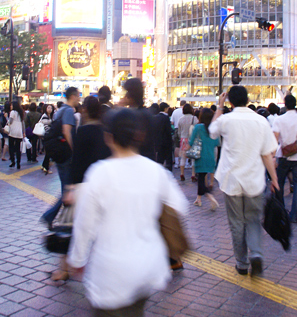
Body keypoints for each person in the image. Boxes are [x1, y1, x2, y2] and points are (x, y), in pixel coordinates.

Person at [67, 108, 187, 315]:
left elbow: (84, 224)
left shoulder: (99, 173)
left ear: (108, 137)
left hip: (111, 271)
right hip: (148, 266)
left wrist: (77, 260)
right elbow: (179, 206)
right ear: (139, 136)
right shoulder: (156, 171)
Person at [209, 86, 279, 276]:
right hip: (254, 179)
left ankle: (241, 263)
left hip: (231, 179)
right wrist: (274, 179)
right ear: (248, 99)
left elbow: (212, 132)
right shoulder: (261, 121)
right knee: (253, 220)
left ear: (230, 101)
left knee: (236, 223)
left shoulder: (226, 119)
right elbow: (267, 154)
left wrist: (219, 106)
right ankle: (255, 253)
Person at [52, 96, 112, 282]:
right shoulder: (106, 132)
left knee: (70, 228)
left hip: (83, 186)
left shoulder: (83, 131)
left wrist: (70, 188)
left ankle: (64, 269)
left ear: (85, 110)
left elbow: (76, 162)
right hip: (103, 186)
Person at [41, 87, 79, 229]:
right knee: (67, 188)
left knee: (66, 186)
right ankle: (54, 217)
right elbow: (66, 132)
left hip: (57, 153)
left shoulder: (60, 110)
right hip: (65, 154)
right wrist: (73, 150)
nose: (79, 99)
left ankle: (55, 217)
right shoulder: (68, 111)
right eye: (78, 96)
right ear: (73, 96)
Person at [272, 94, 297, 223]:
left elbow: (275, 139)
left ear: (285, 104)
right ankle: (294, 215)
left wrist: (273, 156)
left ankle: (281, 211)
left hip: (284, 155)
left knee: (279, 183)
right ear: (295, 104)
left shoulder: (279, 119)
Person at [189, 108, 220, 210]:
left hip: (200, 156)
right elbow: (217, 143)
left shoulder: (198, 127)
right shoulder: (214, 129)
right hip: (211, 156)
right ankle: (198, 199)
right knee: (202, 178)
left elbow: (191, 141)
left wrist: (186, 150)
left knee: (201, 179)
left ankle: (210, 197)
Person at [178, 104, 198, 182]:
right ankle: (193, 175)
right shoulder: (194, 118)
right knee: (193, 159)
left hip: (183, 140)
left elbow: (179, 132)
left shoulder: (181, 119)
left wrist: (181, 137)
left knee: (183, 158)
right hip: (192, 140)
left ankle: (182, 174)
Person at [154, 102, 174, 171]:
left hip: (158, 140)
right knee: (168, 159)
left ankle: (159, 171)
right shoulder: (166, 118)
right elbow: (168, 130)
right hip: (166, 141)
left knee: (160, 158)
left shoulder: (156, 117)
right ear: (165, 109)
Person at [8, 101, 26, 169]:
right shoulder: (21, 113)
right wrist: (23, 132)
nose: (11, 106)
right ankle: (18, 163)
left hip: (12, 132)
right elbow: (23, 123)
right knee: (18, 148)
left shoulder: (13, 112)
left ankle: (12, 161)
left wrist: (7, 118)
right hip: (19, 132)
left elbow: (10, 121)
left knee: (11, 147)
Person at [40, 103, 55, 174]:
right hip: (47, 136)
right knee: (49, 152)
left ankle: (44, 165)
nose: (50, 109)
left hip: (47, 136)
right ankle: (46, 167)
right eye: (48, 108)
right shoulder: (45, 116)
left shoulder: (49, 116)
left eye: (51, 108)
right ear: (45, 108)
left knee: (48, 152)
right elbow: (45, 124)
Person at [171, 100, 186, 168]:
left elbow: (172, 122)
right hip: (185, 129)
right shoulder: (185, 111)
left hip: (176, 129)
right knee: (185, 146)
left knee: (176, 146)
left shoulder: (175, 111)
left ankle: (177, 162)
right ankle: (184, 162)